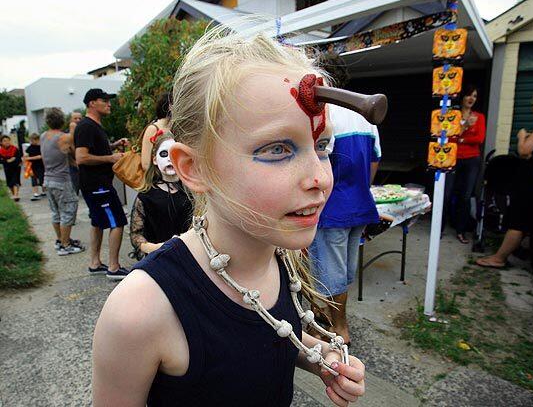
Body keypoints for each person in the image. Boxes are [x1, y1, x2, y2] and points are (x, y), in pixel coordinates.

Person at [93, 29, 365, 406]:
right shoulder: (141, 311)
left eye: (321, 146)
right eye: (277, 149)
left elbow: (267, 334)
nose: (319, 177)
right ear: (193, 168)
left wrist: (321, 358)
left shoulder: (278, 256)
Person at [308, 55, 381, 345]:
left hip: (332, 209)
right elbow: (374, 163)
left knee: (325, 274)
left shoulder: (327, 117)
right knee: (345, 271)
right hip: (360, 205)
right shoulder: (365, 116)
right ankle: (334, 326)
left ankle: (334, 329)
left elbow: (316, 166)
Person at [476, 86, 533, 268]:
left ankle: (499, 258)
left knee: (518, 220)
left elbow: (524, 151)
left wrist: (521, 137)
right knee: (531, 221)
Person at [74, 88, 129, 280]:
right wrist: (110, 157)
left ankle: (95, 263)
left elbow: (93, 149)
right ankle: (114, 267)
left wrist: (113, 146)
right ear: (91, 103)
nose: (109, 103)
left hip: (96, 184)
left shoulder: (94, 126)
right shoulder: (87, 126)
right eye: (104, 100)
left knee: (97, 222)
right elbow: (81, 157)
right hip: (98, 185)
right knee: (118, 221)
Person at [130, 132, 192, 259]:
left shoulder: (192, 192)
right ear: (155, 160)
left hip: (190, 257)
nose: (170, 158)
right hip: (160, 259)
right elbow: (136, 234)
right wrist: (158, 247)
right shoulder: (146, 196)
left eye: (175, 154)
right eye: (164, 154)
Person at [40, 108, 84, 255]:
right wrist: (72, 127)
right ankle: (66, 245)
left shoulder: (43, 136)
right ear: (62, 120)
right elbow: (74, 139)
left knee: (56, 213)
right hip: (61, 181)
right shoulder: (63, 137)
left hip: (48, 180)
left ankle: (60, 240)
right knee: (68, 211)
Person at [445, 85, 486, 244]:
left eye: (474, 96)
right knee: (447, 194)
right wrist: (466, 127)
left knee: (466, 195)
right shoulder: (452, 115)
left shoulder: (479, 117)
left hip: (471, 160)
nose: (471, 99)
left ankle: (461, 231)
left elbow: (479, 139)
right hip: (452, 158)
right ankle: (440, 227)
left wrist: (461, 137)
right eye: (469, 95)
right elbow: (449, 137)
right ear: (462, 97)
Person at [140, 92, 172, 172]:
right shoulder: (153, 129)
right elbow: (145, 164)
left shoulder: (174, 128)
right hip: (158, 180)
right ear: (170, 107)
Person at [0, 135, 22, 201]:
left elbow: (19, 158)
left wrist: (14, 159)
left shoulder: (15, 149)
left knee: (15, 181)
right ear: (1, 142)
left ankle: (16, 195)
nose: (7, 142)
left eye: (8, 140)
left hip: (16, 168)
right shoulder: (1, 151)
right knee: (10, 183)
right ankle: (14, 194)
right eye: (4, 141)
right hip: (7, 169)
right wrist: (7, 160)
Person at [24, 133, 46, 200]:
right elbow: (26, 155)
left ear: (38, 140)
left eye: (34, 140)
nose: (32, 142)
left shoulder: (41, 147)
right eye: (31, 140)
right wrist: (26, 157)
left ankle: (43, 191)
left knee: (42, 179)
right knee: (34, 180)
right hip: (32, 167)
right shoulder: (29, 148)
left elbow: (40, 156)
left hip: (41, 166)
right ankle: (35, 193)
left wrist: (29, 158)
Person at [67, 111, 83, 194]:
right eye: (75, 118)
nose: (78, 120)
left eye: (80, 118)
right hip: (72, 166)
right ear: (70, 120)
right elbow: (69, 150)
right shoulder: (66, 135)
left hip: (83, 165)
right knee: (74, 190)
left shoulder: (84, 133)